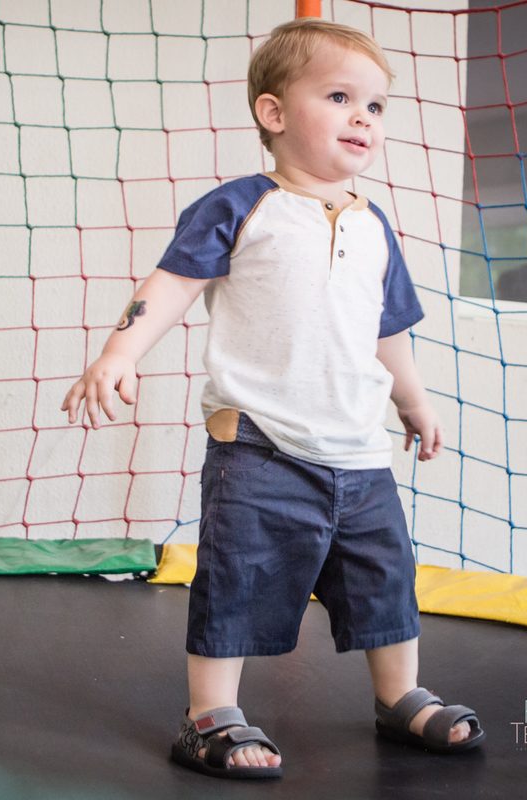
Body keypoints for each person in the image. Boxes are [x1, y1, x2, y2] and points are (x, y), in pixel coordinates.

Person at [60, 17, 485, 779]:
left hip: (359, 450)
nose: (364, 117)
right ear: (274, 113)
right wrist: (119, 351)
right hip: (258, 445)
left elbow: (387, 332)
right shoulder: (241, 206)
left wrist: (413, 401)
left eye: (377, 106)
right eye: (341, 96)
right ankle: (209, 715)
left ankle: (400, 697)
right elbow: (172, 285)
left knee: (385, 579)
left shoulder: (374, 227)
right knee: (239, 577)